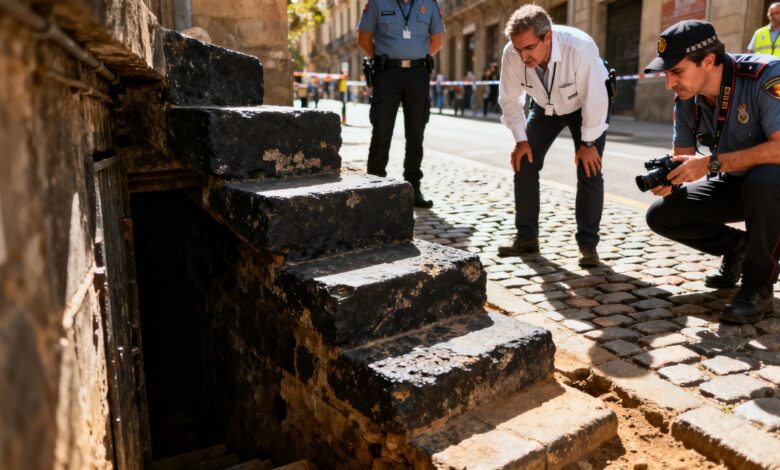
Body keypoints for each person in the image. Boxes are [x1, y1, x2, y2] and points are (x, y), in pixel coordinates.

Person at [643, 20, 780, 324]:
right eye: (666, 74)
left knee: (766, 180)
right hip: (735, 181)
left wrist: (709, 165)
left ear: (707, 61)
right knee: (662, 214)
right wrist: (670, 177)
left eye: (676, 72)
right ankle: (739, 248)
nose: (669, 83)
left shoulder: (766, 76)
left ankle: (758, 286)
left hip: (771, 184)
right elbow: (683, 156)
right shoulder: (686, 97)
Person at [496, 5, 610, 267]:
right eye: (518, 49)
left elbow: (596, 97)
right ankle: (527, 238)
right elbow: (510, 99)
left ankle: (588, 245)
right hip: (545, 108)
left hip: (584, 106)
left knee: (589, 169)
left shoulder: (580, 47)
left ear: (547, 37)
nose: (523, 56)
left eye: (529, 48)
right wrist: (521, 140)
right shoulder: (512, 53)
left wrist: (588, 143)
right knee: (524, 162)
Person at [357, 0, 445, 208]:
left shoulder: (429, 4)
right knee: (382, 128)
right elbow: (364, 39)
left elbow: (436, 41)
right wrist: (384, 60)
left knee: (416, 130)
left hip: (418, 74)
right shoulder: (377, 3)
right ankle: (375, 185)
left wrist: (414, 58)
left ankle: (413, 186)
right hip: (387, 73)